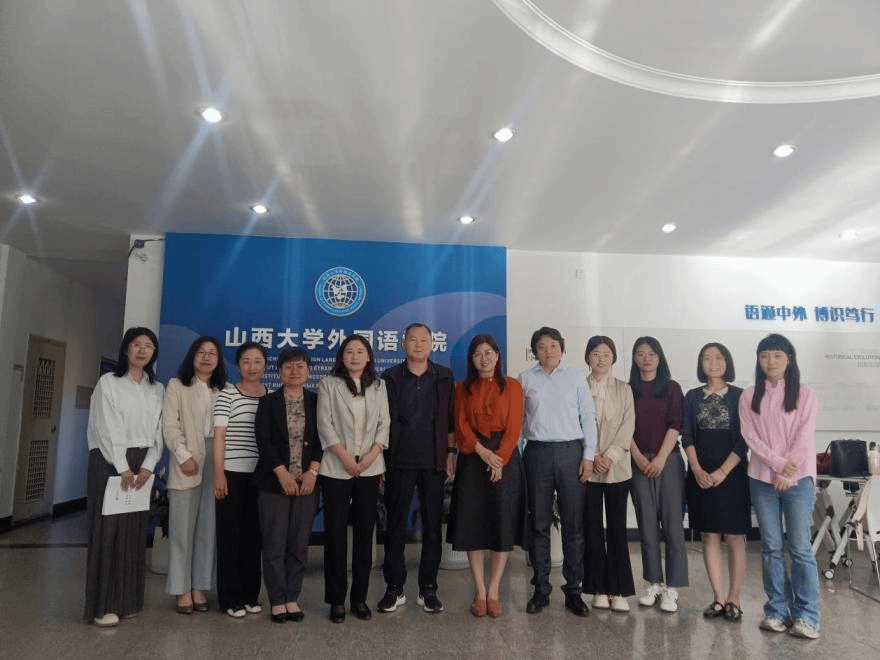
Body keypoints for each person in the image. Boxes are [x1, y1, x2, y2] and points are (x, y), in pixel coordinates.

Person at [739, 334, 820, 639]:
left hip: (799, 479)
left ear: (789, 359)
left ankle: (807, 616)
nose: (770, 361)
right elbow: (750, 436)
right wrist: (776, 465)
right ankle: (776, 611)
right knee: (771, 547)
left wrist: (788, 471)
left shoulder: (805, 393)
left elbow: (804, 436)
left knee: (800, 548)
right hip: (762, 479)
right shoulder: (749, 396)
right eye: (764, 356)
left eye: (776, 355)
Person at [84, 327, 164, 627]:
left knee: (133, 533)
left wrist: (149, 465)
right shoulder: (109, 382)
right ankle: (103, 606)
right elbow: (105, 427)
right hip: (109, 461)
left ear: (154, 352)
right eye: (136, 344)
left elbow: (159, 430)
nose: (142, 350)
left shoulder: (157, 388)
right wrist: (122, 466)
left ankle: (128, 601)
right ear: (126, 349)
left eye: (148, 346)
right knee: (108, 533)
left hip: (142, 464)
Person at [519, 326, 597, 617]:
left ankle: (574, 591)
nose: (548, 351)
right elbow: (519, 422)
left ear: (562, 349)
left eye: (553, 345)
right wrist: (517, 458)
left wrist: (588, 455)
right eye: (541, 347)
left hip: (570, 453)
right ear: (534, 352)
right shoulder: (526, 379)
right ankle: (540, 589)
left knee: (573, 526)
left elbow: (588, 416)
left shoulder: (575, 377)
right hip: (537, 453)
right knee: (539, 524)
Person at [378, 323, 455, 614]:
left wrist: (450, 453)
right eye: (413, 339)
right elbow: (381, 421)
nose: (419, 344)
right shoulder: (390, 377)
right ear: (403, 343)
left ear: (432, 344)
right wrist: (380, 459)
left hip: (433, 462)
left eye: (424, 340)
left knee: (432, 527)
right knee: (395, 526)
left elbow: (450, 420)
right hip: (398, 461)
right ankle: (394, 588)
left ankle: (428, 588)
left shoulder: (444, 376)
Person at [447, 334, 525, 618]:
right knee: (474, 524)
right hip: (473, 457)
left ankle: (494, 591)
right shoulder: (462, 388)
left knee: (501, 522)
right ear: (472, 359)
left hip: (505, 458)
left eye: (489, 352)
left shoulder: (513, 386)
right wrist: (482, 452)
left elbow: (514, 427)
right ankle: (479, 591)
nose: (484, 358)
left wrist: (499, 459)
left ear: (497, 355)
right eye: (478, 353)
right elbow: (461, 425)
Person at [318, 334, 390, 623]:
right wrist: (345, 457)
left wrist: (372, 455)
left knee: (364, 535)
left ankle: (360, 598)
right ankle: (336, 600)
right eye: (349, 351)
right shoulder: (328, 384)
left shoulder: (379, 385)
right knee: (335, 535)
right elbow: (324, 424)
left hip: (370, 467)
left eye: (360, 351)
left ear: (369, 357)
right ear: (342, 357)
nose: (355, 356)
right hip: (336, 467)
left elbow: (384, 423)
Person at [254, 347, 322, 623]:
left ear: (309, 371)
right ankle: (277, 599)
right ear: (279, 371)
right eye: (288, 366)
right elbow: (264, 441)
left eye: (300, 366)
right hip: (273, 483)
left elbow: (323, 438)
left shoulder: (318, 401)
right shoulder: (268, 402)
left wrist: (313, 471)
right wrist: (282, 473)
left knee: (298, 543)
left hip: (307, 483)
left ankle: (292, 597)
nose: (295, 371)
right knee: (274, 543)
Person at [682, 342, 749, 622]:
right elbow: (687, 435)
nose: (712, 362)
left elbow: (745, 438)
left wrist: (723, 471)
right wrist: (696, 469)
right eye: (706, 358)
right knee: (709, 535)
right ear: (700, 364)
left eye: (718, 357)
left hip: (733, 475)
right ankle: (719, 598)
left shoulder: (741, 396)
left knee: (734, 536)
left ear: (727, 361)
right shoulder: (692, 396)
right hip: (701, 475)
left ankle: (734, 598)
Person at [163, 336, 226, 614]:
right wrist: (183, 456)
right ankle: (181, 589)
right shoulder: (177, 386)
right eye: (201, 352)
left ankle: (200, 585)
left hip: (217, 458)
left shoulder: (224, 390)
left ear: (218, 360)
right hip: (186, 458)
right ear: (192, 356)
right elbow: (169, 426)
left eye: (212, 353)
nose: (207, 357)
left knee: (208, 527)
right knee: (181, 529)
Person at [629, 336, 688, 613]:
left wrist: (662, 457)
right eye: (641, 353)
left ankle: (672, 588)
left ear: (660, 357)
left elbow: (676, 424)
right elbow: (623, 427)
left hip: (670, 461)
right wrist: (639, 457)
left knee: (673, 526)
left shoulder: (672, 388)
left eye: (651, 353)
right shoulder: (628, 389)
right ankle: (653, 583)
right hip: (638, 462)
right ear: (634, 358)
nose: (646, 358)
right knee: (647, 525)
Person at [213, 341, 268, 618]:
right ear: (238, 365)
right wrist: (219, 474)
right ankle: (230, 598)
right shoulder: (227, 394)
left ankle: (250, 595)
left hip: (260, 476)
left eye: (257, 361)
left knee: (253, 538)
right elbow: (219, 436)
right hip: (232, 474)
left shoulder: (270, 395)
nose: (252, 367)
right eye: (246, 361)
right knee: (230, 537)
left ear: (265, 365)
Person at [582, 336, 635, 613]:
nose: (601, 359)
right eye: (595, 354)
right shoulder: (579, 386)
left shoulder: (624, 389)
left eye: (606, 354)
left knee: (617, 529)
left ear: (613, 357)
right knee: (591, 529)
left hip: (617, 468)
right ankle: (598, 589)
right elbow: (577, 423)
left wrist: (609, 456)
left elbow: (628, 426)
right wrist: (592, 456)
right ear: (587, 358)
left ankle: (618, 589)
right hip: (588, 468)